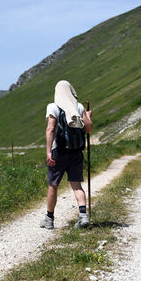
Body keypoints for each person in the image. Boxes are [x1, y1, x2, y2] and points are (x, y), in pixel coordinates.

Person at [40, 80, 93, 229]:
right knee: (76, 185)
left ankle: (49, 220)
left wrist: (49, 151)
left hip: (59, 151)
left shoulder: (53, 107)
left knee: (53, 185)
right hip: (76, 151)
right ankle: (83, 216)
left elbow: (50, 129)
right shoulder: (79, 106)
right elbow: (88, 128)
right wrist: (87, 116)